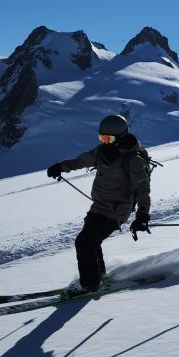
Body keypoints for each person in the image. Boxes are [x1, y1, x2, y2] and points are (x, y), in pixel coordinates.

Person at [46, 114, 152, 294]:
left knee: (84, 243)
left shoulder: (132, 159)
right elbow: (81, 161)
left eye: (108, 138)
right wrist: (60, 167)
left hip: (116, 210)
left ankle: (89, 284)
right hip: (99, 206)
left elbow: (143, 189)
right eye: (102, 138)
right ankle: (98, 276)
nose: (104, 142)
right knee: (91, 242)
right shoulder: (102, 152)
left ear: (120, 138)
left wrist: (142, 214)